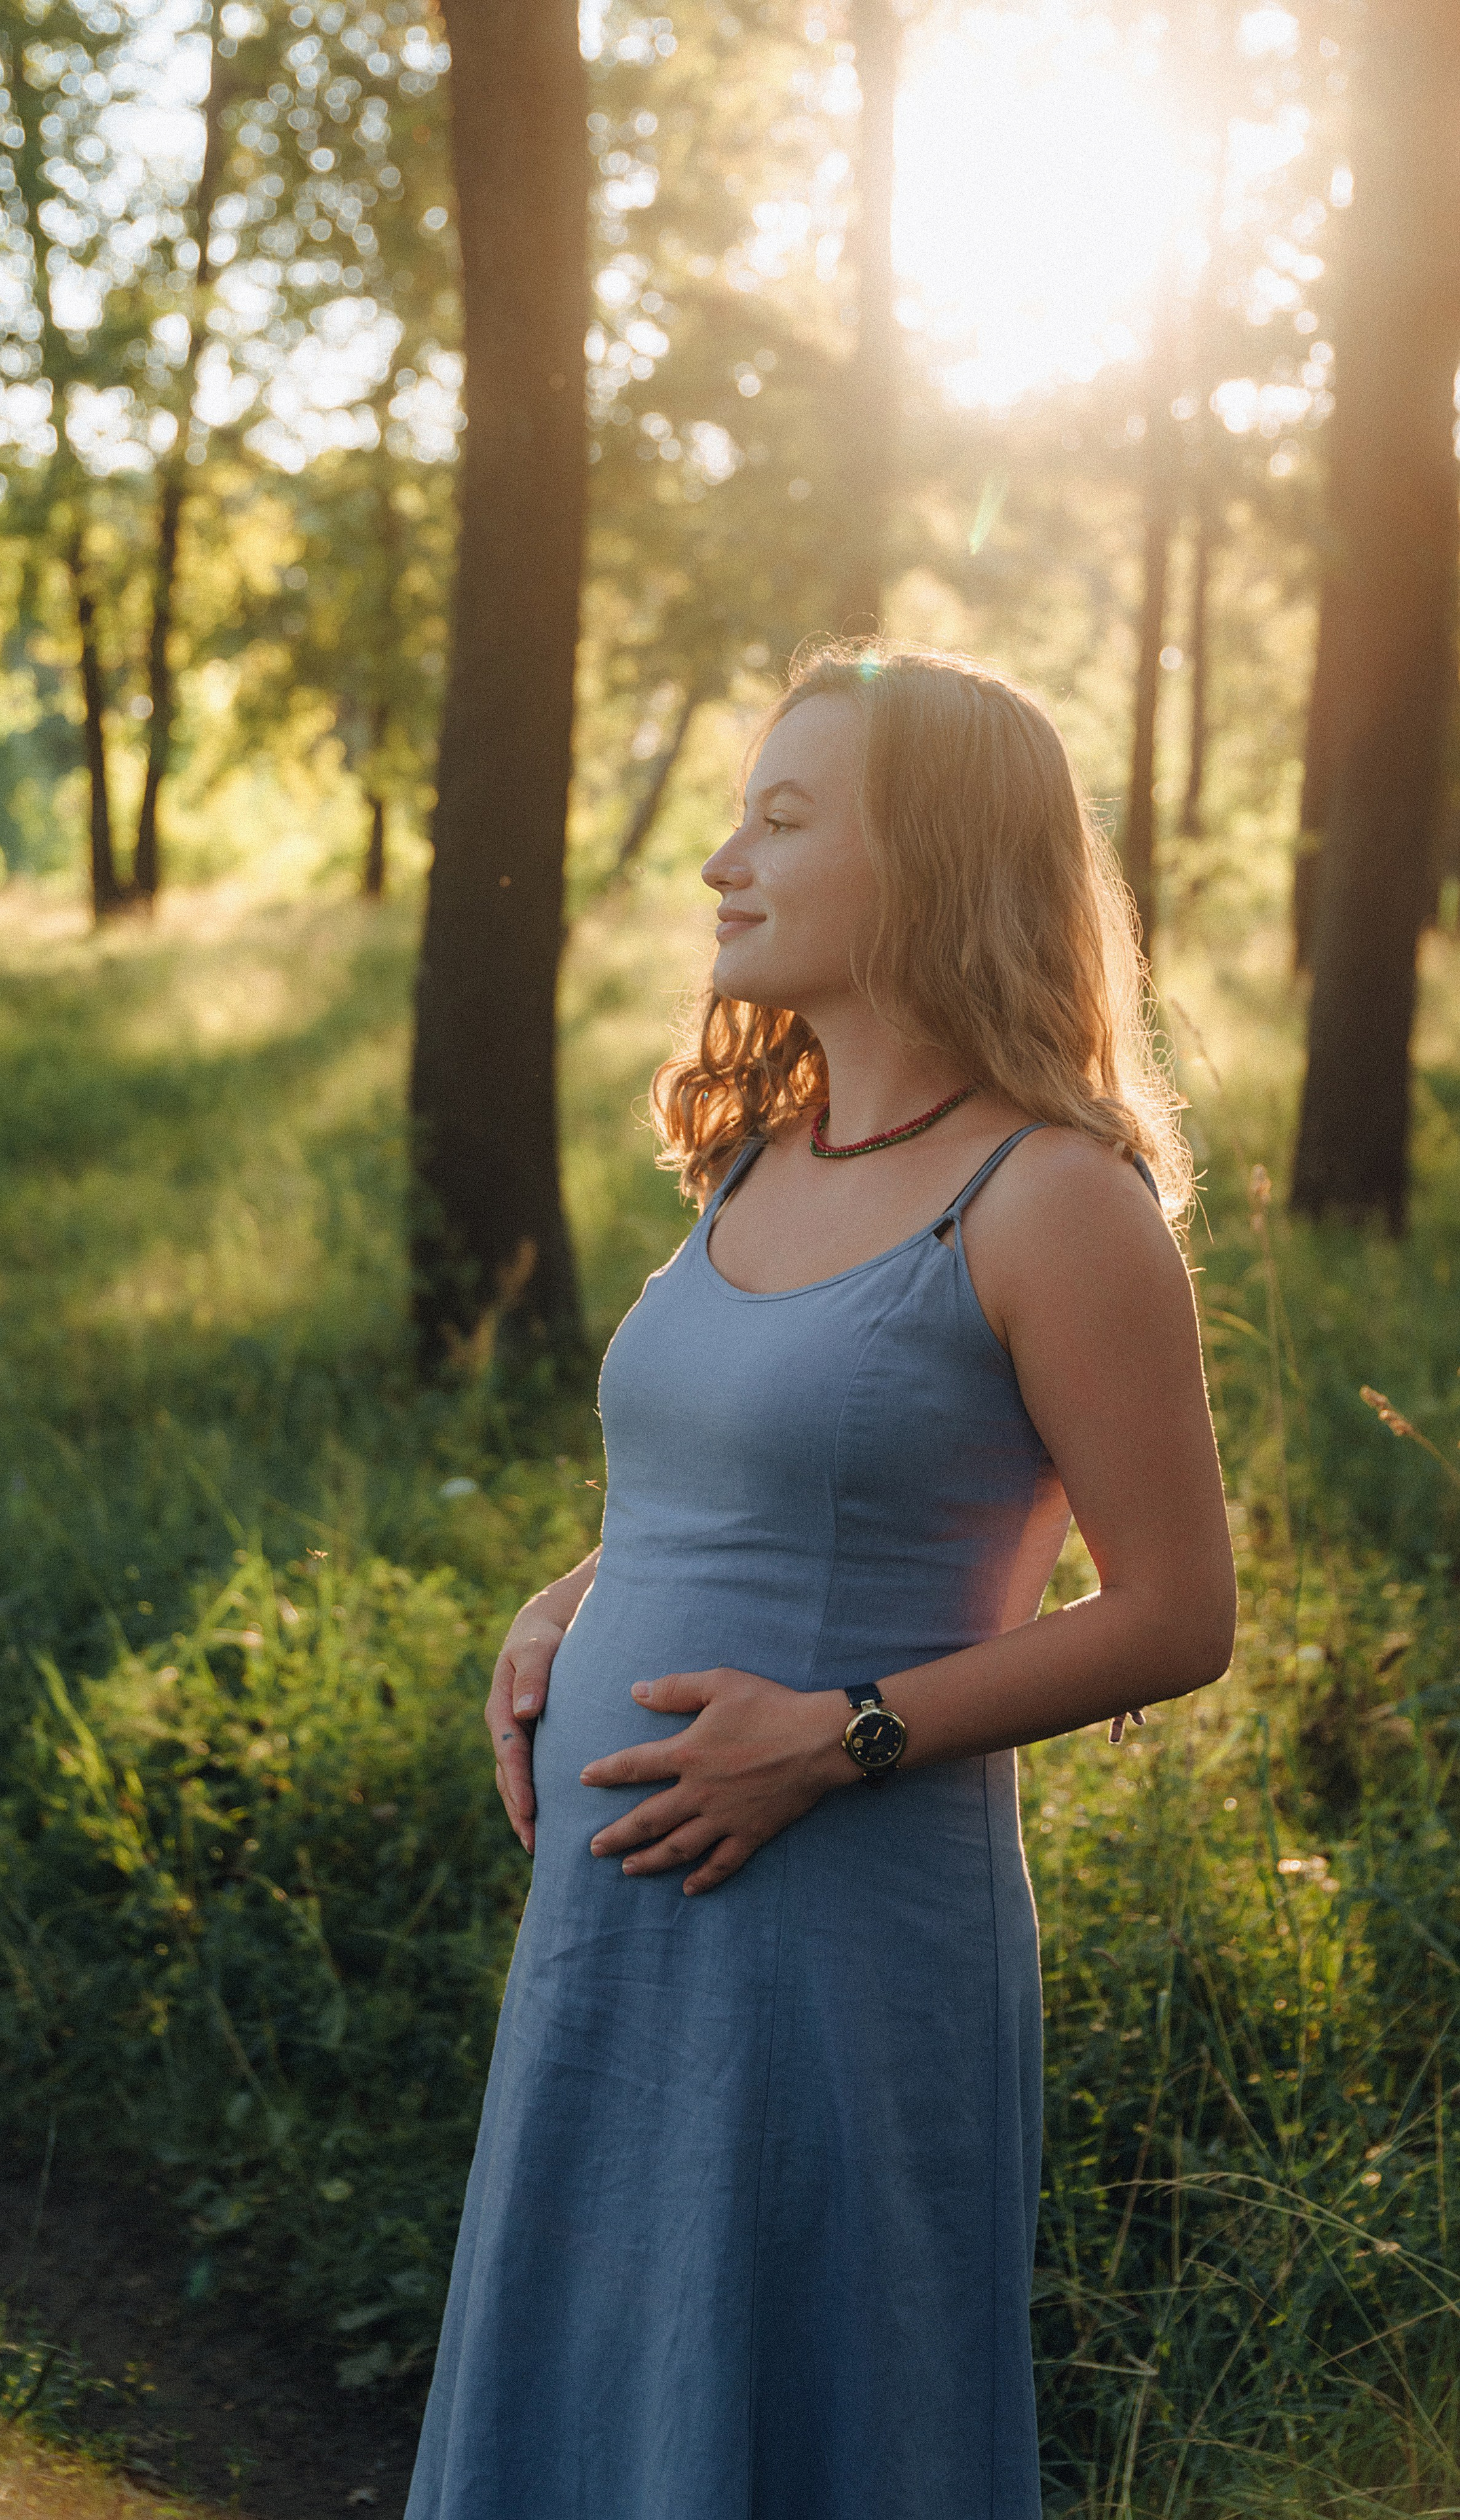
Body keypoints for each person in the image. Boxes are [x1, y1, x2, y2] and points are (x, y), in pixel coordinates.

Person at [404, 646, 1236, 2520]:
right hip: (620, 1925)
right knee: (598, 2376)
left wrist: (832, 1737)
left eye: (783, 821)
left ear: (930, 861)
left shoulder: (1051, 1200)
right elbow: (758, 1471)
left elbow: (1180, 1615)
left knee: (807, 2403)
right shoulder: (761, 1155)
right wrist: (575, 1595)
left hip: (842, 1935)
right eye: (737, 817)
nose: (723, 863)